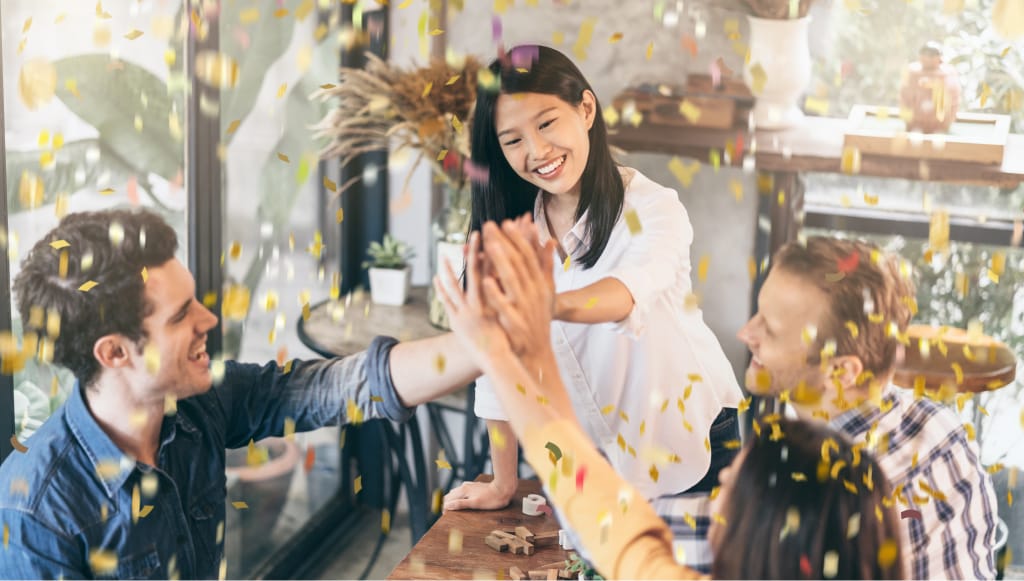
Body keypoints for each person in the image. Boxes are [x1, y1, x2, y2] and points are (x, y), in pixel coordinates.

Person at [0, 209, 478, 579]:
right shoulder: (35, 514)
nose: (208, 321)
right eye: (180, 315)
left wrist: (490, 346)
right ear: (115, 353)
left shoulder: (196, 404)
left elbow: (342, 385)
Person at [433, 218, 905, 579]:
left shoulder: (797, 515)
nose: (744, 333)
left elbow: (600, 524)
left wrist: (503, 350)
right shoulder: (927, 438)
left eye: (726, 499)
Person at [443, 44, 743, 542]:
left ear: (585, 110)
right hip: (596, 458)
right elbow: (497, 371)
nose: (536, 152)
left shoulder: (653, 207)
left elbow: (625, 293)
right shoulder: (508, 235)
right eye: (512, 140)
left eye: (546, 124)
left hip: (693, 445)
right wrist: (502, 481)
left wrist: (546, 305)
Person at [736, 236, 999, 579]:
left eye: (769, 330)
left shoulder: (827, 502)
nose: (745, 333)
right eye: (758, 313)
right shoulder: (943, 426)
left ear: (842, 371)